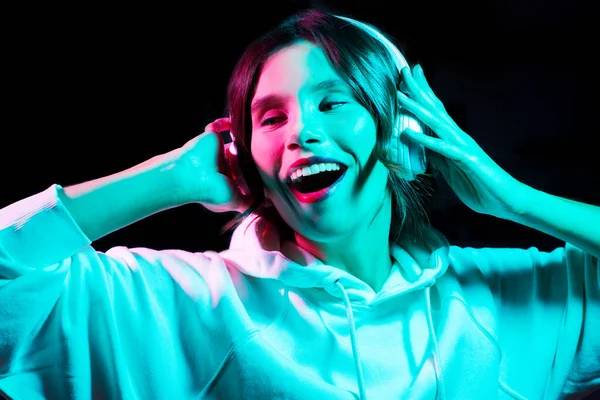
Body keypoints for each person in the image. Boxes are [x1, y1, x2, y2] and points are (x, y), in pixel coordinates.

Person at [0, 7, 598, 400]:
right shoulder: (182, 302)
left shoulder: (504, 301)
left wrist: (514, 200)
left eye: (334, 103)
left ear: (406, 134)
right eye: (271, 116)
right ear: (247, 156)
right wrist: (169, 177)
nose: (300, 132)